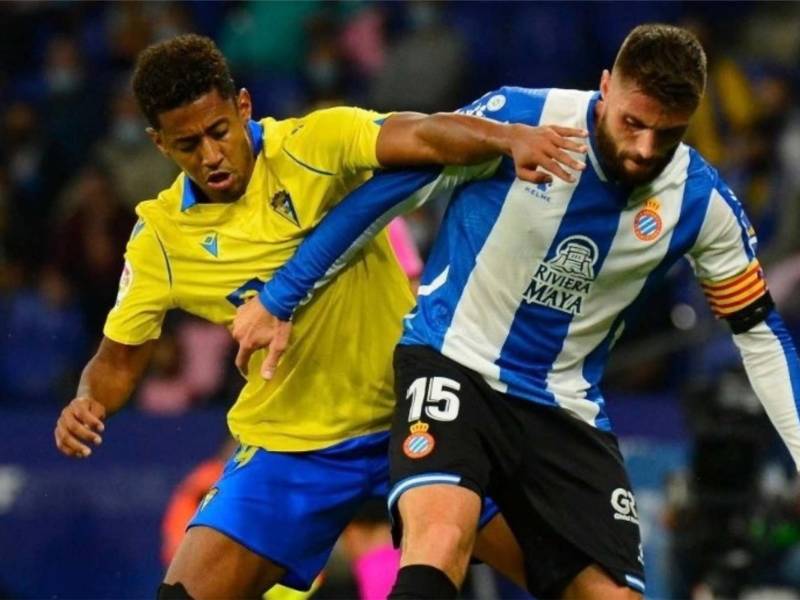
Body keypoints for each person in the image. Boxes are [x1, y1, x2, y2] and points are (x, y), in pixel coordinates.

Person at [232, 24, 800, 600]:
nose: (645, 149)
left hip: (565, 406)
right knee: (440, 542)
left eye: (668, 134)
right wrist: (280, 297)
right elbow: (385, 196)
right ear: (606, 87)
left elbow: (759, 334)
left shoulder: (702, 203)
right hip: (453, 363)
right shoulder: (521, 119)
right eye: (633, 123)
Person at [52, 34, 587, 598]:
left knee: (571, 580)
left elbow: (424, 134)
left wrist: (508, 137)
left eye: (219, 132)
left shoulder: (315, 144)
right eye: (187, 144)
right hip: (291, 449)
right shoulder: (160, 240)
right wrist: (89, 401)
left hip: (414, 417)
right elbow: (118, 361)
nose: (210, 156)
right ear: (159, 144)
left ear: (243, 106)